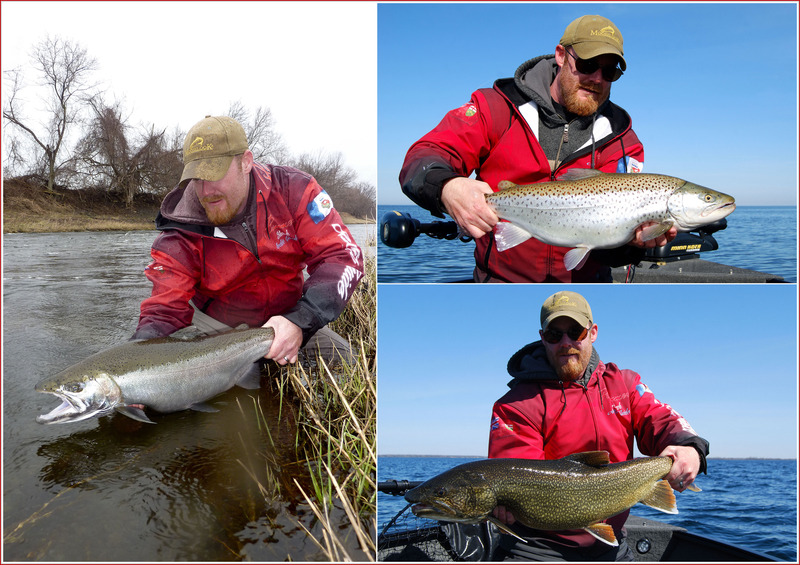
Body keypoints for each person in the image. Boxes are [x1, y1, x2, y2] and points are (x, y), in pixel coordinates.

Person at [399, 15, 677, 283]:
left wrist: (634, 243)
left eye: (609, 71)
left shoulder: (623, 140)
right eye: (589, 63)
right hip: (500, 283)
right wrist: (448, 187)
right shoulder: (496, 107)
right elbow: (422, 156)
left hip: (587, 282)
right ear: (561, 55)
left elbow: (612, 251)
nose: (597, 78)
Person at [487, 290, 709, 561]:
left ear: (592, 332)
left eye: (576, 332)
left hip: (611, 544)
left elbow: (661, 419)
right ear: (543, 338)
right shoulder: (515, 405)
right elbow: (513, 474)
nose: (566, 342)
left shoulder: (623, 385)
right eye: (555, 335)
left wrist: (689, 448)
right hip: (537, 547)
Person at [133, 115, 364, 367]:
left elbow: (343, 256)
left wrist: (300, 320)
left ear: (246, 162)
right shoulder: (177, 233)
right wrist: (138, 361)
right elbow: (163, 312)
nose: (206, 191)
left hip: (287, 321)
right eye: (197, 179)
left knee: (348, 362)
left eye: (214, 174)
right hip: (215, 331)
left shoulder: (294, 190)